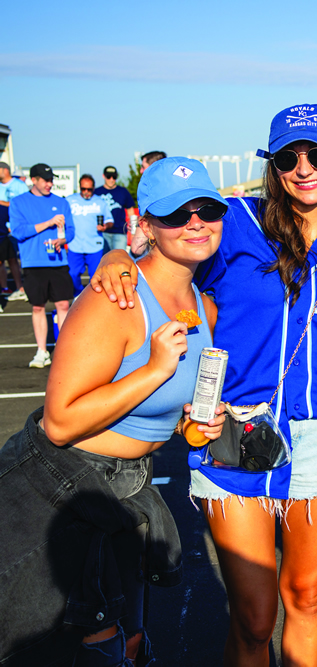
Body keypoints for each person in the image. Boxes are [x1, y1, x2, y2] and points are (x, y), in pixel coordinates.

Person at [91, 104, 317, 667]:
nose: (304, 167)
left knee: (307, 597)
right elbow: (165, 261)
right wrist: (121, 255)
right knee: (254, 614)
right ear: (272, 164)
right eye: (289, 156)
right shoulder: (238, 222)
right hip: (234, 431)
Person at [0, 156, 225, 666]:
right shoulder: (116, 298)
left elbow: (159, 419)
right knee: (83, 652)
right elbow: (59, 421)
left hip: (127, 485)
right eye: (175, 214)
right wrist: (154, 370)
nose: (194, 222)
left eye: (207, 209)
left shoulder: (202, 304)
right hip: (61, 489)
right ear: (145, 223)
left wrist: (193, 429)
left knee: (130, 641)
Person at [9, 163, 76, 368]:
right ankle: (42, 351)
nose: (50, 184)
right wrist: (48, 223)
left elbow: (71, 232)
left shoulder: (61, 203)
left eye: (51, 180)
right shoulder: (18, 203)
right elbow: (18, 232)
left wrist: (61, 241)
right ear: (34, 180)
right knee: (38, 307)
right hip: (33, 262)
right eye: (46, 180)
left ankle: (64, 350)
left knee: (63, 305)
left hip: (57, 262)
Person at [66, 174, 114, 294]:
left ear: (93, 188)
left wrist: (105, 226)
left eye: (89, 189)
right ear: (79, 187)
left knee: (96, 276)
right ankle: (78, 294)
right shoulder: (69, 200)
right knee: (72, 274)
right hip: (75, 245)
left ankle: (92, 301)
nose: (86, 192)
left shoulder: (100, 202)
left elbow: (110, 220)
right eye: (83, 189)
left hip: (95, 245)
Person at [0, 160, 29, 300]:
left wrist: (3, 204)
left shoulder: (19, 186)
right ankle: (9, 288)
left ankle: (26, 287)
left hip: (17, 229)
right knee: (8, 260)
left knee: (22, 258)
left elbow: (26, 204)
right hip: (2, 231)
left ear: (5, 170)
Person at [130, 152, 168, 256]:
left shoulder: (151, 193)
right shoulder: (173, 187)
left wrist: (140, 225)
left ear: (153, 166)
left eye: (143, 167)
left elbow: (137, 247)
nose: (141, 171)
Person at [94, 165, 136, 252]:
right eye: (108, 177)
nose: (111, 179)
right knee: (104, 261)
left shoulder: (123, 191)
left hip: (119, 232)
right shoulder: (97, 192)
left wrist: (133, 232)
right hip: (102, 233)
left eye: (114, 177)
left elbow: (131, 212)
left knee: (119, 259)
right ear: (103, 176)